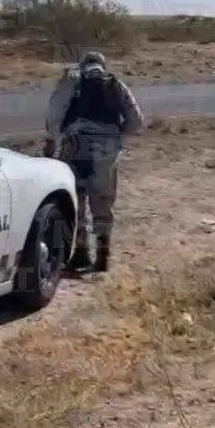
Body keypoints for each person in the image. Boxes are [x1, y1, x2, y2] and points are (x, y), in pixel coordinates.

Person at [43, 51, 144, 274]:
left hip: (75, 144)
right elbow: (136, 120)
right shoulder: (116, 84)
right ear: (102, 66)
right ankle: (103, 255)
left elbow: (54, 113)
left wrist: (55, 140)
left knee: (76, 200)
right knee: (103, 202)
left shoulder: (71, 79)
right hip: (107, 149)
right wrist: (117, 138)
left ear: (83, 65)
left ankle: (80, 253)